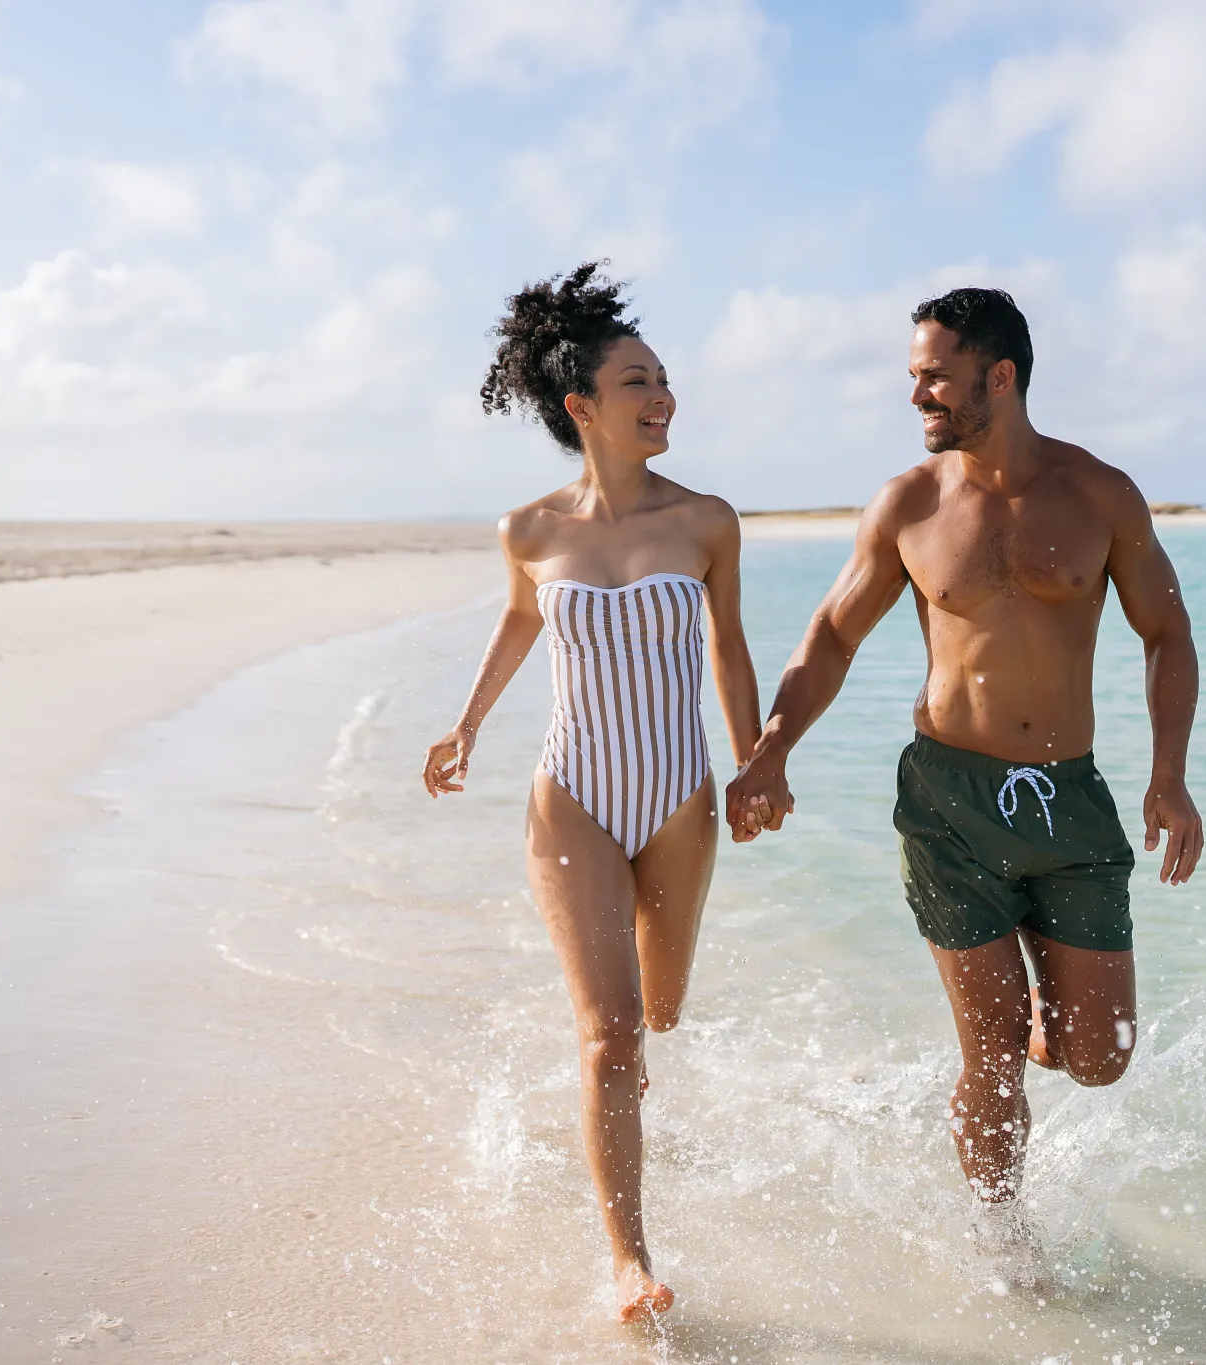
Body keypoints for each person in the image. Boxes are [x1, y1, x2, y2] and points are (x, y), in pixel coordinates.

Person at [724, 286, 1203, 1222]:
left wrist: (1170, 776)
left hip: (1068, 798)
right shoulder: (909, 502)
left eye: (935, 378)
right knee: (989, 1055)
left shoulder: (1099, 494)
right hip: (948, 799)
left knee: (1100, 1056)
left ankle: (1032, 1026)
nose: (916, 396)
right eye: (915, 377)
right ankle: (1004, 1247)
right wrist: (771, 750)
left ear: (1001, 375)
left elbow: (1167, 634)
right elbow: (832, 635)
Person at [423, 262, 761, 1322]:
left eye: (662, 380)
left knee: (658, 1014)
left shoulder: (705, 521)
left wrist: (755, 762)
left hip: (679, 799)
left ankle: (620, 1088)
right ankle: (629, 1260)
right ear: (580, 407)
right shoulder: (529, 531)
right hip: (570, 793)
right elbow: (520, 620)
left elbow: (728, 646)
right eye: (636, 383)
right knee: (610, 1034)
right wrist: (467, 724)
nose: (662, 397)